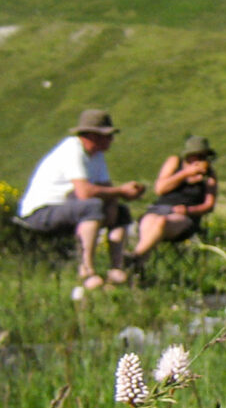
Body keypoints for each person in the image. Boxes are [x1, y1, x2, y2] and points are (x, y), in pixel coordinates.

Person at [17, 109, 145, 288]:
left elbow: (106, 188)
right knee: (91, 207)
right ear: (92, 135)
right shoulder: (72, 150)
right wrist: (120, 191)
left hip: (68, 208)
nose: (111, 140)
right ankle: (87, 271)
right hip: (42, 212)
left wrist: (119, 197)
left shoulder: (97, 156)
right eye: (107, 136)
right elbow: (84, 192)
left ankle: (116, 268)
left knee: (121, 212)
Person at [127, 136, 218, 263]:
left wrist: (188, 210)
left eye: (203, 157)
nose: (199, 160)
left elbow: (209, 204)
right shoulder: (175, 162)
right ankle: (135, 265)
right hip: (159, 209)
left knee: (161, 222)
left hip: (184, 216)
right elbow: (160, 189)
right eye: (196, 156)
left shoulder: (209, 175)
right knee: (150, 223)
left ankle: (135, 256)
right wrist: (185, 174)